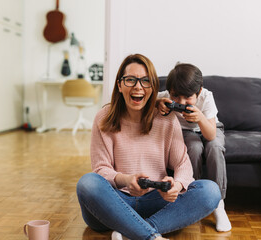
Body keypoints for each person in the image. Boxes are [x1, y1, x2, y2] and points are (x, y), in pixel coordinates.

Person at [76, 54, 221, 240]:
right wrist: (127, 180)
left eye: (145, 81)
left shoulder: (166, 118)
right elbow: (101, 169)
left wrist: (176, 185)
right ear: (120, 85)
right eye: (130, 80)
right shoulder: (103, 118)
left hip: (156, 200)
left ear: (152, 88)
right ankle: (150, 236)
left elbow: (182, 164)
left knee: (210, 191)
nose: (138, 86)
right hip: (115, 202)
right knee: (88, 183)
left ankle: (131, 231)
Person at [156, 63, 232, 232]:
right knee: (194, 148)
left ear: (198, 92)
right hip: (186, 132)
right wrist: (158, 103)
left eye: (188, 97)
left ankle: (219, 204)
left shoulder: (206, 97)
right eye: (176, 96)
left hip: (210, 128)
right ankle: (192, 197)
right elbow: (149, 100)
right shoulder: (167, 96)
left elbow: (211, 135)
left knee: (214, 148)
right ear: (170, 91)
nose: (181, 102)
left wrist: (200, 118)